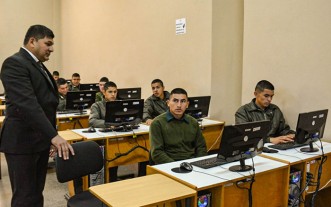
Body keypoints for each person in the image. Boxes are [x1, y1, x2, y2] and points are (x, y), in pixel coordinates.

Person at [0, 25, 74, 207]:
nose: (52, 49)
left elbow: (47, 103)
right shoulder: (14, 63)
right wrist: (53, 136)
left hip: (38, 141)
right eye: (47, 44)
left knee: (35, 194)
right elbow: (28, 105)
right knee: (25, 197)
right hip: (22, 143)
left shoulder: (38, 65)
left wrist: (48, 137)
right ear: (32, 41)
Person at [150, 88, 207, 164]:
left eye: (183, 101)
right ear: (168, 103)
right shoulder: (157, 123)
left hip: (191, 165)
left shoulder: (193, 122)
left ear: (187, 104)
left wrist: (199, 164)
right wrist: (177, 166)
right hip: (169, 166)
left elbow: (201, 148)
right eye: (175, 101)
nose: (179, 105)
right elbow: (157, 153)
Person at [235, 80, 295, 144]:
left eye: (271, 96)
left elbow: (283, 130)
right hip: (253, 150)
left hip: (274, 148)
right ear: (256, 94)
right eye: (266, 96)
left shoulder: (275, 109)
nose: (270, 99)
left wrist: (291, 135)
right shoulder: (243, 112)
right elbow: (245, 138)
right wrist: (269, 140)